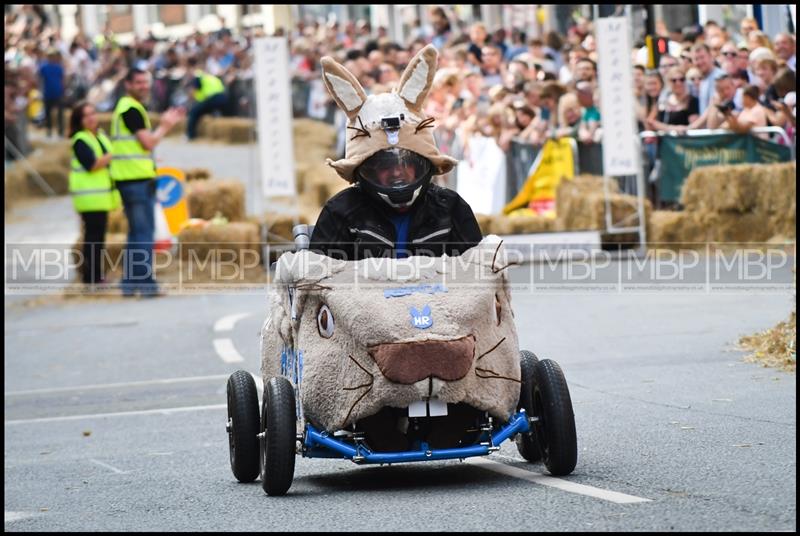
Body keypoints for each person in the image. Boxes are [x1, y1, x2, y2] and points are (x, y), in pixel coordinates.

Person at [309, 45, 482, 261]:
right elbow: (317, 279)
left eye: (405, 163)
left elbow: (480, 270)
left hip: (437, 296)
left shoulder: (449, 206)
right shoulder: (342, 210)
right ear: (364, 168)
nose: (397, 173)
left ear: (424, 162)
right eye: (385, 167)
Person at [110, 68, 185, 297]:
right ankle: (146, 285)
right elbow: (148, 143)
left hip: (129, 179)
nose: (144, 86)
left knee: (135, 234)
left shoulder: (126, 107)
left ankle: (129, 283)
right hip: (136, 181)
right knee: (143, 235)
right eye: (139, 82)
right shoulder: (131, 109)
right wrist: (165, 126)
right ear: (128, 84)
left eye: (146, 82)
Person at [68, 100, 119, 285]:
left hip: (100, 197)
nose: (91, 118)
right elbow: (92, 165)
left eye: (93, 113)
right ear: (79, 120)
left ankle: (97, 275)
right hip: (89, 198)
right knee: (92, 239)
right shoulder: (80, 140)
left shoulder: (99, 136)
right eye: (86, 115)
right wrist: (115, 154)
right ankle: (91, 277)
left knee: (98, 238)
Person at [185, 57, 227, 140]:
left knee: (193, 112)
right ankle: (215, 115)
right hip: (223, 97)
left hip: (212, 98)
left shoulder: (197, 76)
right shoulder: (208, 76)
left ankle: (190, 135)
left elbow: (193, 92)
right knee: (204, 110)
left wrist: (190, 102)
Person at [38, 48, 65, 137]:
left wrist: (63, 91)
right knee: (48, 113)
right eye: (50, 56)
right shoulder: (44, 67)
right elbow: (39, 79)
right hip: (47, 94)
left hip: (58, 93)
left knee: (60, 113)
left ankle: (60, 131)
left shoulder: (59, 67)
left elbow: (62, 80)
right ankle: (49, 130)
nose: (52, 58)